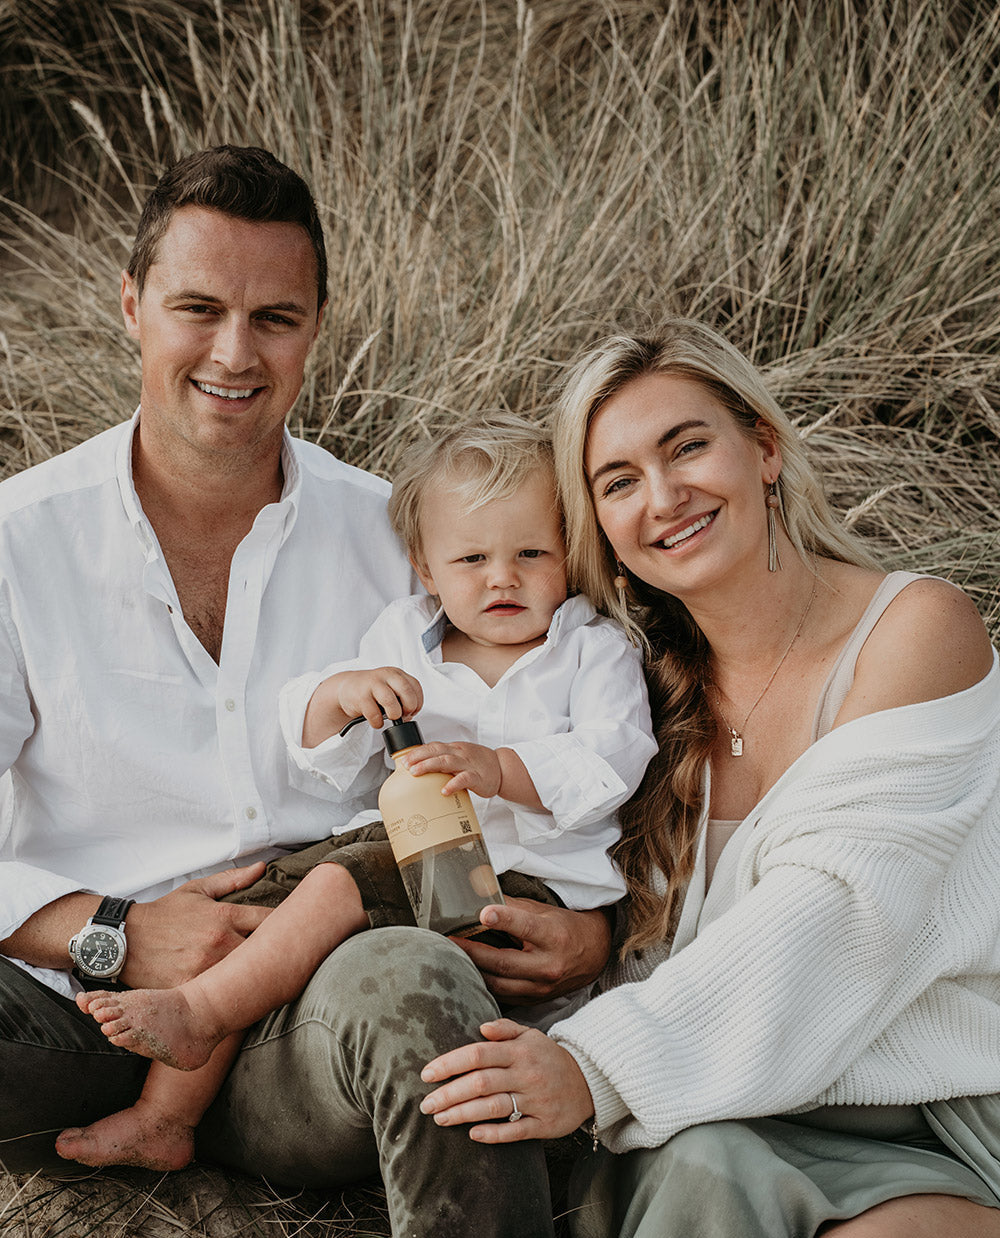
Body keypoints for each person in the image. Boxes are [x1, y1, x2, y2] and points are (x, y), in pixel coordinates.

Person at [0, 145, 613, 1238]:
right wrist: (114, 931)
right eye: (198, 307)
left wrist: (592, 935)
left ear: (316, 324)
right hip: (76, 1010)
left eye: (275, 317)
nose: (235, 353)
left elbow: (548, 732)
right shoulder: (18, 539)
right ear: (132, 304)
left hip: (313, 1019)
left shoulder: (405, 542)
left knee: (414, 981)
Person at [413, 319, 1000, 1237]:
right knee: (701, 1169)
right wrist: (595, 939)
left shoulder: (915, 632)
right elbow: (660, 931)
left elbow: (836, 921)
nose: (664, 496)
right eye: (618, 482)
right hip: (732, 1117)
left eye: (687, 446)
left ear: (763, 448)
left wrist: (593, 1068)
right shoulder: (630, 699)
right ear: (598, 528)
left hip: (941, 1109)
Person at [69, 413, 655, 1173]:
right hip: (409, 861)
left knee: (339, 883)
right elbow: (325, 759)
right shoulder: (402, 637)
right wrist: (341, 697)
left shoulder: (589, 649)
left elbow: (614, 758)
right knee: (255, 917)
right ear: (424, 566)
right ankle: (164, 1116)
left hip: (524, 883)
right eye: (472, 557)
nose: (502, 577)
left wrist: (502, 770)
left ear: (571, 555)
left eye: (531, 554)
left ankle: (200, 1013)